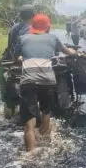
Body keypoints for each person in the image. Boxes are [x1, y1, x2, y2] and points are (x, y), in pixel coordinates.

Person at [13, 13, 80, 152]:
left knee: (29, 125)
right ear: (48, 26)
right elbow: (67, 52)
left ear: (32, 26)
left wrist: (21, 59)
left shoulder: (22, 38)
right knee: (46, 112)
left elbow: (16, 57)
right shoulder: (53, 38)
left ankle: (30, 155)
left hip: (28, 81)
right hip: (47, 81)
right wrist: (75, 53)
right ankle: (45, 145)